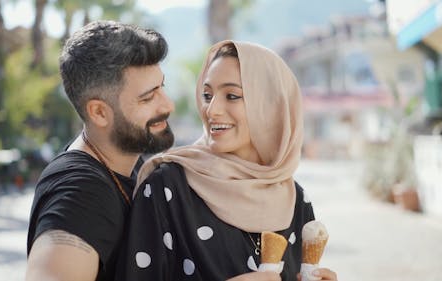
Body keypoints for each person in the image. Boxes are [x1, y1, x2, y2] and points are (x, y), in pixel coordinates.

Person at [118, 41, 338, 281]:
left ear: (271, 107)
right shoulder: (167, 188)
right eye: (207, 95)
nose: (211, 110)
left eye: (232, 96)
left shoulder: (295, 200)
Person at [25, 20, 175, 281]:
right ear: (99, 112)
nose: (167, 105)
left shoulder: (127, 163)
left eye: (162, 87)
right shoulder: (81, 193)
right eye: (148, 97)